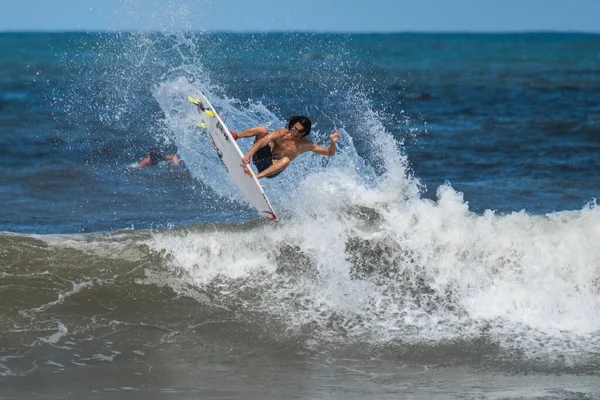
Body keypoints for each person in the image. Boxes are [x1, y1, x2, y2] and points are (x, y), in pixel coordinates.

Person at [236, 116, 340, 179]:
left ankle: (256, 177)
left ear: (305, 133)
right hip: (260, 158)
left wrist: (333, 142)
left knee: (286, 160)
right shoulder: (282, 133)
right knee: (262, 130)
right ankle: (235, 135)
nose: (295, 132)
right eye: (295, 128)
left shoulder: (307, 145)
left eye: (300, 131)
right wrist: (248, 155)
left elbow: (329, 152)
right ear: (293, 125)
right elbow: (263, 141)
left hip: (271, 170)